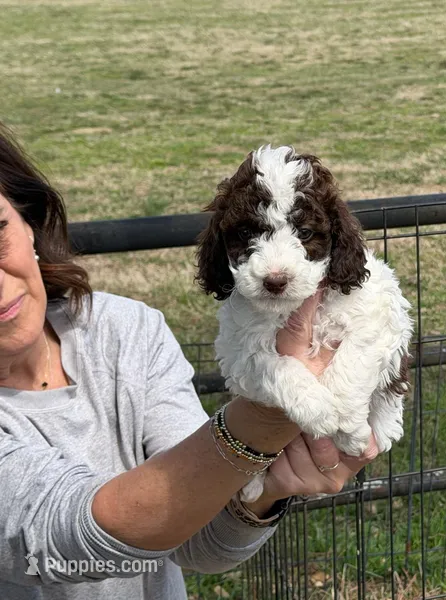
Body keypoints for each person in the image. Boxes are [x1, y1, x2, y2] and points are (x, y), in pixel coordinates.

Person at [0, 122, 379, 600]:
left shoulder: (126, 330)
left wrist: (261, 494)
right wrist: (268, 410)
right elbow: (66, 540)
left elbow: (200, 542)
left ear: (28, 220)